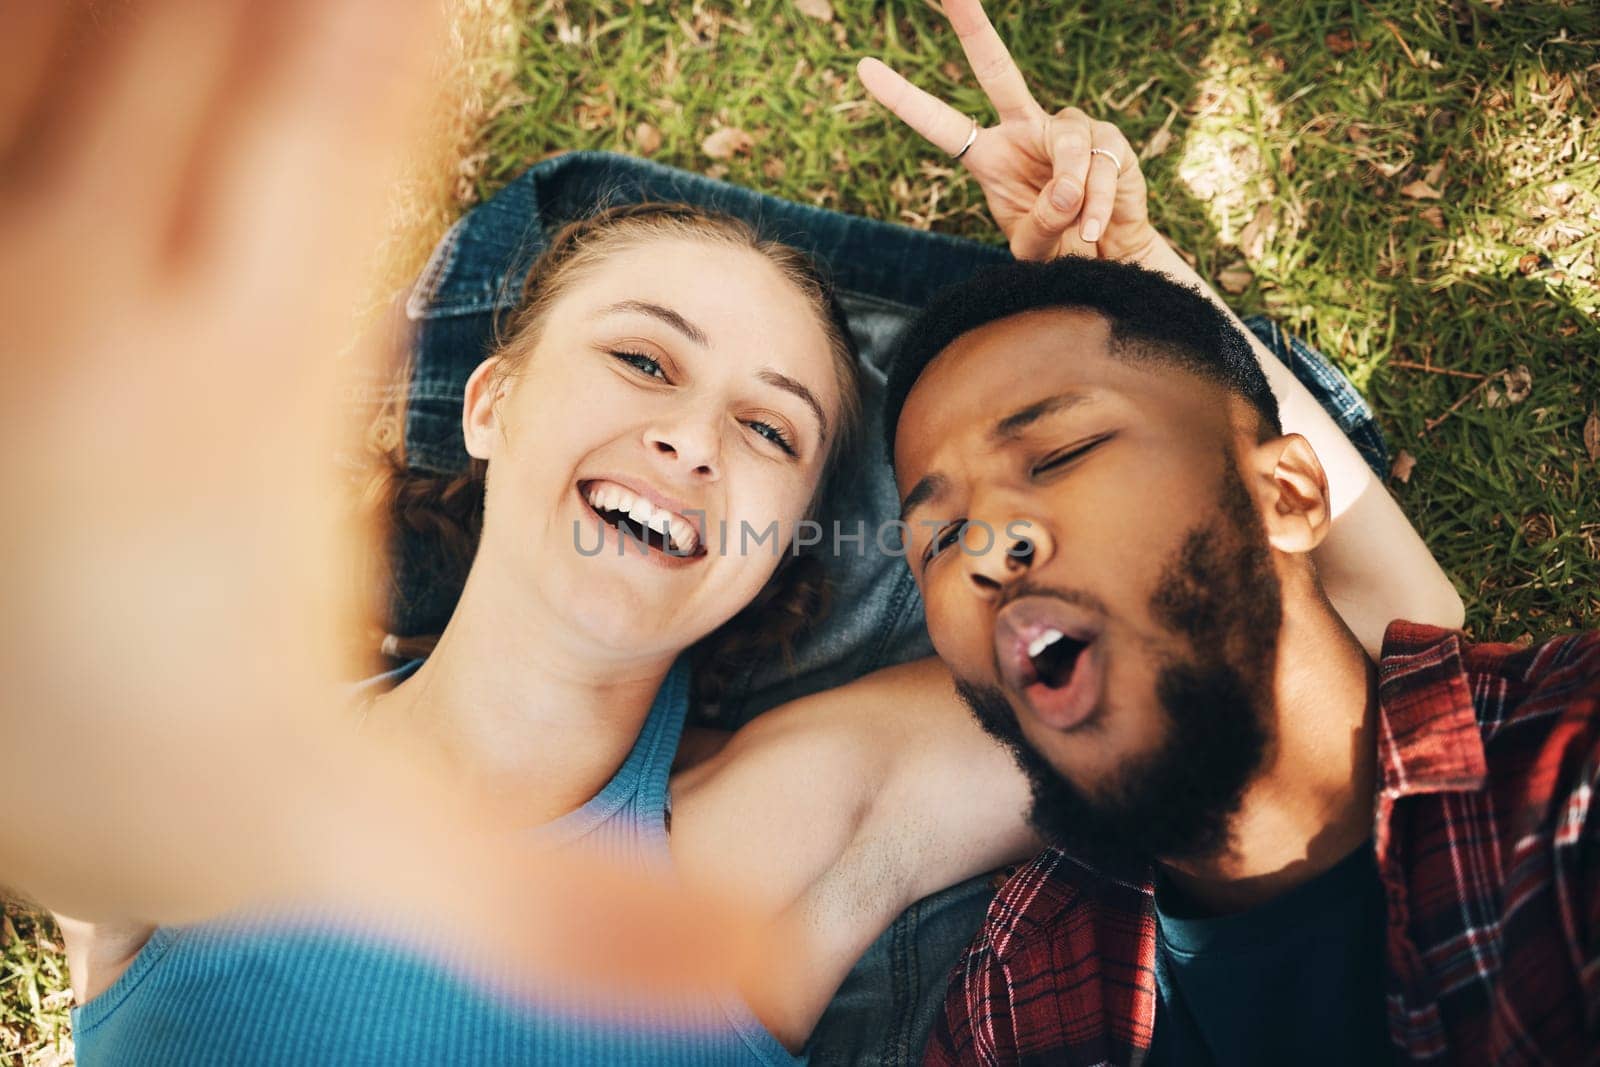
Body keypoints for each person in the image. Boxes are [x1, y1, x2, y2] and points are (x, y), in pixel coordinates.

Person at [22, 3, 1463, 1066]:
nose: (694, 439)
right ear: (490, 398)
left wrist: (1142, 292)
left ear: (792, 540)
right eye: (644, 361)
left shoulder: (788, 827)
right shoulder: (200, 765)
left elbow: (1385, 665)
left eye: (771, 430)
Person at [867, 11, 1600, 1066]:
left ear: (1294, 494)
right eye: (934, 537)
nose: (986, 541)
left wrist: (1131, 260)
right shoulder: (1013, 997)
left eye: (1061, 452)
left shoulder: (1560, 783)